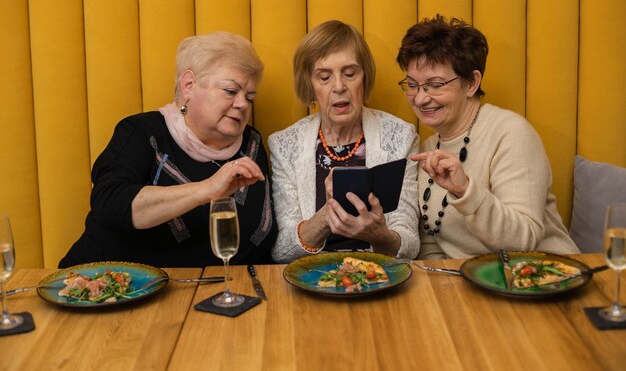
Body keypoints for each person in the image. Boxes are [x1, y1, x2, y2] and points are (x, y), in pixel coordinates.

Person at [59, 32, 277, 268]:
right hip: (109, 288)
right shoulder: (141, 132)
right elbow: (111, 205)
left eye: (250, 97)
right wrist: (207, 189)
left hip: (213, 294)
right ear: (189, 86)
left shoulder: (251, 143)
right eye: (231, 91)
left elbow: (259, 239)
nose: (243, 104)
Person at [396, 15, 579, 259]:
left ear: (471, 83)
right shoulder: (429, 146)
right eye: (412, 85)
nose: (420, 99)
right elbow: (432, 239)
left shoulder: (511, 134)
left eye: (435, 85)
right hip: (471, 284)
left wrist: (465, 190)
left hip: (541, 274)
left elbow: (523, 239)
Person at [269, 20, 420, 263]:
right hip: (313, 278)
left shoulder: (400, 137)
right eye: (324, 77)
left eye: (350, 74)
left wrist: (381, 236)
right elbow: (282, 252)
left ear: (364, 78)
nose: (339, 86)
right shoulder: (285, 145)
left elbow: (410, 243)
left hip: (380, 274)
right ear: (310, 87)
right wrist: (327, 216)